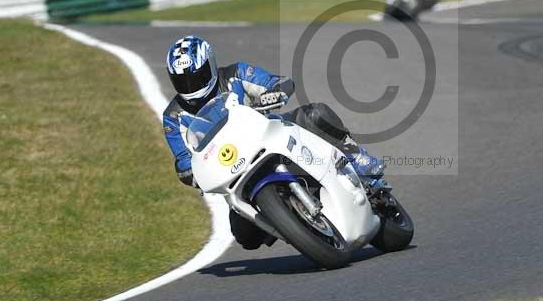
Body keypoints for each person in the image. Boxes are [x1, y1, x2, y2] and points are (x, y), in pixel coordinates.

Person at [162, 35, 384, 249]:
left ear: (210, 65)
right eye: (182, 82)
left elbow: (274, 82)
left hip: (268, 133)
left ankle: (357, 157)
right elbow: (183, 158)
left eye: (196, 78)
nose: (191, 87)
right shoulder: (173, 116)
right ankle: (290, 223)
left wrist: (274, 92)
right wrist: (189, 172)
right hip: (232, 167)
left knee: (315, 115)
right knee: (245, 236)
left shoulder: (234, 74)